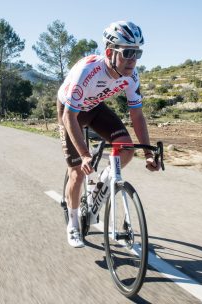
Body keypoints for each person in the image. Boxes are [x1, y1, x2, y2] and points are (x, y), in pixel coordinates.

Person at [57, 21, 160, 248]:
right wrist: (84, 154)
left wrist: (148, 153)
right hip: (70, 112)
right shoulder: (87, 72)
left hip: (94, 108)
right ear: (109, 53)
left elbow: (137, 116)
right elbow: (68, 118)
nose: (133, 59)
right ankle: (73, 224)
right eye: (128, 53)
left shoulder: (132, 76)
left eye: (138, 53)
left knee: (127, 149)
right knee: (76, 172)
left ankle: (102, 184)